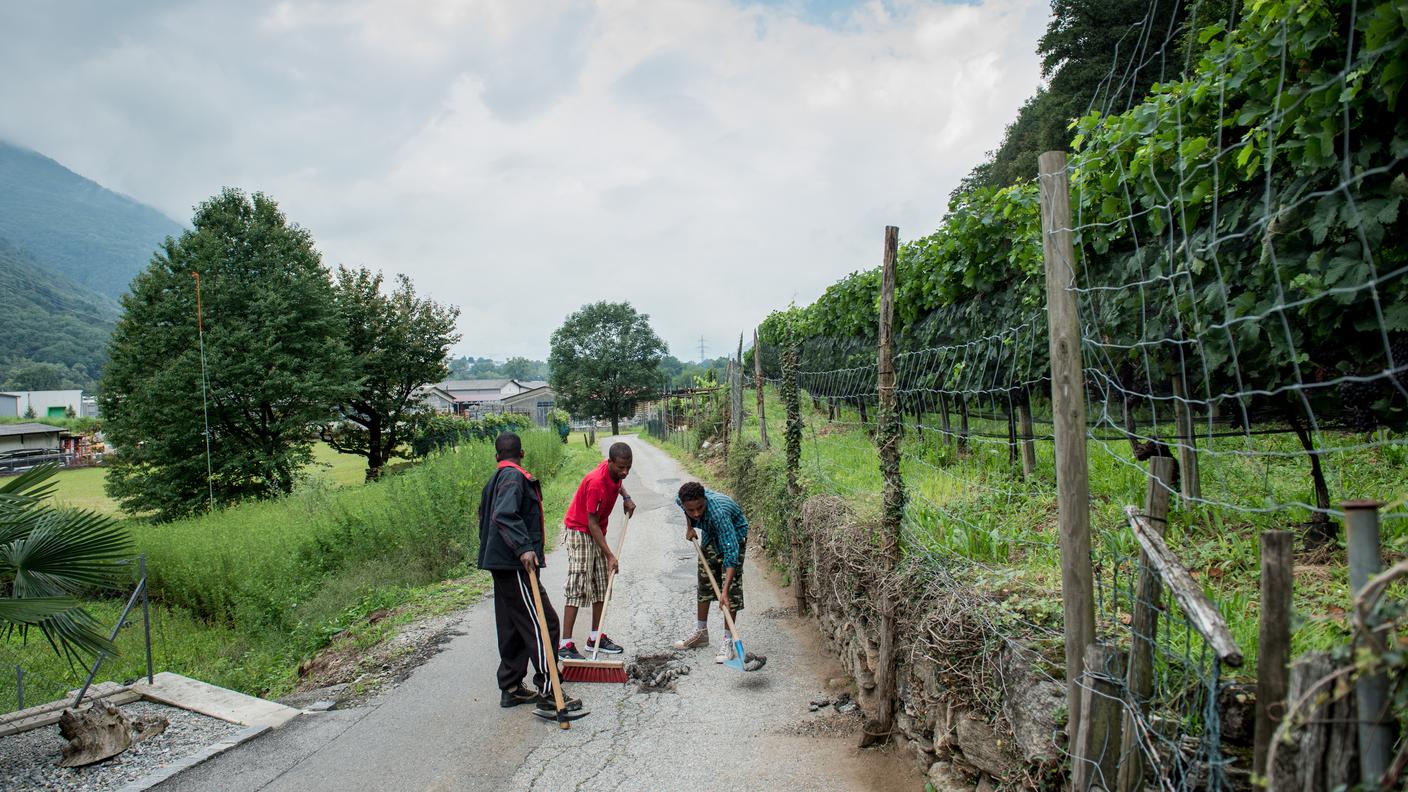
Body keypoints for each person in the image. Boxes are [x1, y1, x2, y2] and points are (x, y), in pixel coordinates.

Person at [477, 432, 580, 716]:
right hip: (514, 564)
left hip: (500, 564)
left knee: (513, 625)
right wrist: (523, 547)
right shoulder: (513, 477)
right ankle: (550, 691)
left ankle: (511, 688)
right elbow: (504, 514)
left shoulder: (495, 479)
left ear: (497, 455)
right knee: (544, 623)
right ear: (521, 453)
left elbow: (485, 516)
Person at [557, 442, 637, 660]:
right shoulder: (595, 483)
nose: (625, 472)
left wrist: (626, 497)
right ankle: (565, 645)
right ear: (609, 462)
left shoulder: (616, 473)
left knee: (603, 582)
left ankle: (595, 638)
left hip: (596, 531)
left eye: (628, 467)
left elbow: (618, 483)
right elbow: (591, 524)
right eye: (621, 467)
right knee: (579, 583)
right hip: (580, 530)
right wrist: (610, 555)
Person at [671, 481, 749, 663]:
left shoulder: (718, 513)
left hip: (734, 536)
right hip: (711, 534)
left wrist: (724, 591)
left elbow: (731, 553)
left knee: (731, 590)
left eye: (700, 507)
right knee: (705, 582)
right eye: (692, 510)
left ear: (705, 500)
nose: (696, 513)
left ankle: (728, 641)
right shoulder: (680, 500)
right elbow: (688, 512)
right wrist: (689, 527)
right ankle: (701, 633)